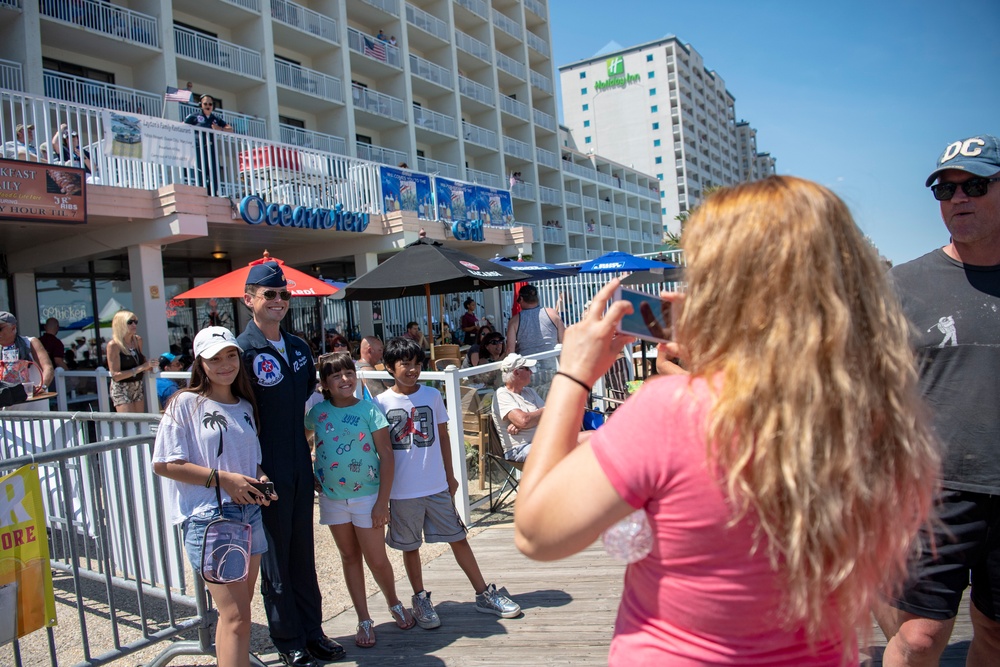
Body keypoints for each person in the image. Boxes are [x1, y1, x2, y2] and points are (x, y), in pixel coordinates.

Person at [513, 176, 941, 666]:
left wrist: (574, 372)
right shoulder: (874, 416)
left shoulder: (674, 411)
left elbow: (535, 532)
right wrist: (722, 354)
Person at [875, 134, 1000, 666]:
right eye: (945, 190)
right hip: (933, 490)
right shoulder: (903, 284)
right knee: (921, 636)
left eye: (974, 185)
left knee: (995, 632)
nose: (958, 198)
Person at [236, 261, 343, 666]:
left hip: (299, 457)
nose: (279, 301)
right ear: (250, 300)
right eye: (270, 295)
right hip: (265, 464)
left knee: (303, 552)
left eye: (284, 294)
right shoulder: (241, 351)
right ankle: (288, 639)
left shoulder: (298, 348)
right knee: (277, 558)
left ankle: (313, 632)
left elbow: (307, 405)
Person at [372, 337, 521, 629]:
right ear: (390, 367)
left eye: (417, 364)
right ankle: (419, 597)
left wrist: (451, 475)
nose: (412, 370)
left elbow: (443, 437)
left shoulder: (431, 395)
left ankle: (483, 592)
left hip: (436, 484)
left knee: (458, 537)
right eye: (405, 364)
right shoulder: (379, 403)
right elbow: (381, 451)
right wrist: (383, 495)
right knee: (410, 546)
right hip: (402, 492)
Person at [152, 326, 275, 667]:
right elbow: (164, 464)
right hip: (213, 519)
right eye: (215, 358)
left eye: (231, 355)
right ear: (200, 363)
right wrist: (224, 480)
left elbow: (251, 460)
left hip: (249, 515)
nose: (225, 364)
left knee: (233, 616)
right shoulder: (184, 404)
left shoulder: (246, 406)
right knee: (237, 618)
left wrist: (261, 479)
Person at [305, 352, 415, 649]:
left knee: (377, 559)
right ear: (325, 384)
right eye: (336, 376)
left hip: (367, 497)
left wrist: (383, 502)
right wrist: (311, 471)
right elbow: (303, 441)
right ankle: (363, 617)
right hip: (332, 499)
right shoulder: (317, 413)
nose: (345, 380)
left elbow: (387, 455)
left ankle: (393, 602)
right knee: (349, 557)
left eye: (348, 373)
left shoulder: (369, 410)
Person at [494, 353, 544, 463]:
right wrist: (528, 421)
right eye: (528, 369)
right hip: (521, 448)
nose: (531, 372)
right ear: (516, 372)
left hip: (542, 441)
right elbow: (524, 421)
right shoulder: (502, 394)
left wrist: (529, 421)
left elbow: (553, 415)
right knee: (560, 450)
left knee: (589, 438)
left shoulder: (529, 391)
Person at [183, 94, 233, 196]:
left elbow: (230, 129)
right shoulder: (195, 116)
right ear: (201, 104)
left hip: (211, 147)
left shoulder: (215, 118)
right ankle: (201, 191)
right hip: (199, 147)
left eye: (210, 104)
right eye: (205, 103)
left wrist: (219, 129)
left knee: (214, 170)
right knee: (201, 170)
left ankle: (213, 192)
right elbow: (183, 126)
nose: (208, 106)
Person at [106, 310, 156, 413]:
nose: (134, 325)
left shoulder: (137, 340)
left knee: (139, 423)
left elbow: (141, 362)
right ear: (120, 324)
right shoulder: (114, 345)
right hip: (121, 387)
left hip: (137, 385)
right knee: (128, 425)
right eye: (130, 322)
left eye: (135, 322)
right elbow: (116, 375)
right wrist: (142, 367)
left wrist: (150, 365)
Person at [0, 310, 55, 392]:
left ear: (13, 328)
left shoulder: (30, 342)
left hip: (34, 400)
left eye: (0, 328)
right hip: (8, 401)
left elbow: (48, 368)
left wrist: (42, 387)